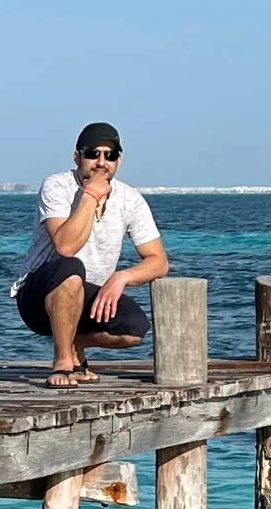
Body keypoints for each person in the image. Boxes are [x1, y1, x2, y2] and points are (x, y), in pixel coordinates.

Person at [12, 121, 169, 386]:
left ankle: (74, 344)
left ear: (119, 160)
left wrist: (121, 278)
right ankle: (63, 362)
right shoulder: (57, 186)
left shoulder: (130, 199)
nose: (101, 162)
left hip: (87, 297)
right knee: (71, 267)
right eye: (93, 154)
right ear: (77, 157)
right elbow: (65, 246)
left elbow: (159, 261)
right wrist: (91, 194)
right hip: (39, 297)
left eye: (110, 155)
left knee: (134, 328)